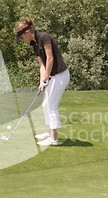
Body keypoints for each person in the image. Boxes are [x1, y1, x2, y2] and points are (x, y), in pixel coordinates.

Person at [14, 17, 70, 146]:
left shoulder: (44, 37)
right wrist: (41, 82)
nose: (22, 40)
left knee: (51, 106)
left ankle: (54, 139)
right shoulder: (33, 44)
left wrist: (46, 78)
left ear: (27, 32)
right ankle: (48, 132)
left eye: (21, 37)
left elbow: (50, 58)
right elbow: (42, 65)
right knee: (46, 105)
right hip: (53, 76)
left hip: (60, 75)